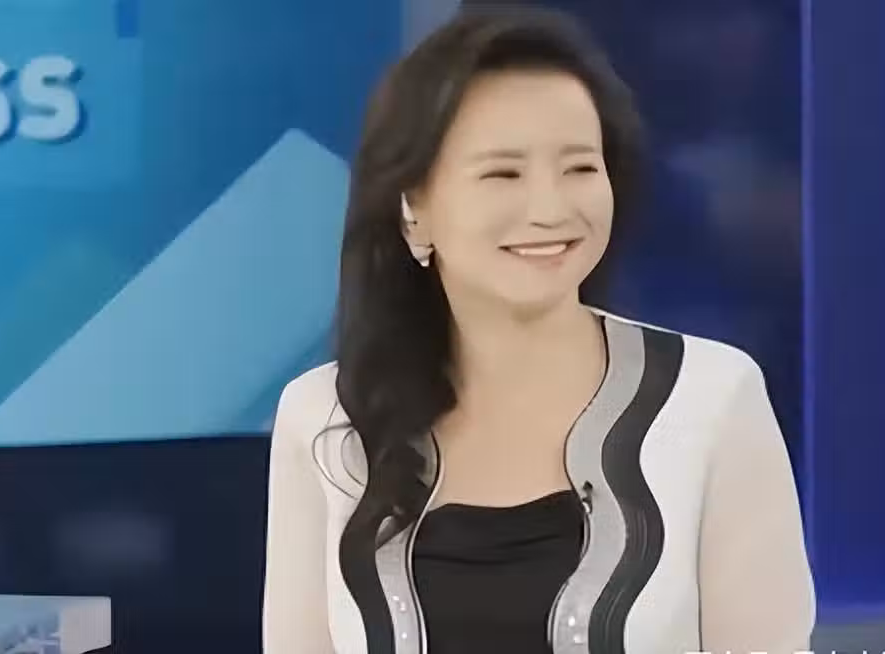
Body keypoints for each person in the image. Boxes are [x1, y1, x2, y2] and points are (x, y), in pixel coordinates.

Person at [262, 6, 814, 654]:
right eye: (504, 174)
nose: (550, 209)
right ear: (413, 207)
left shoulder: (712, 398)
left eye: (580, 168)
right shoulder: (322, 417)